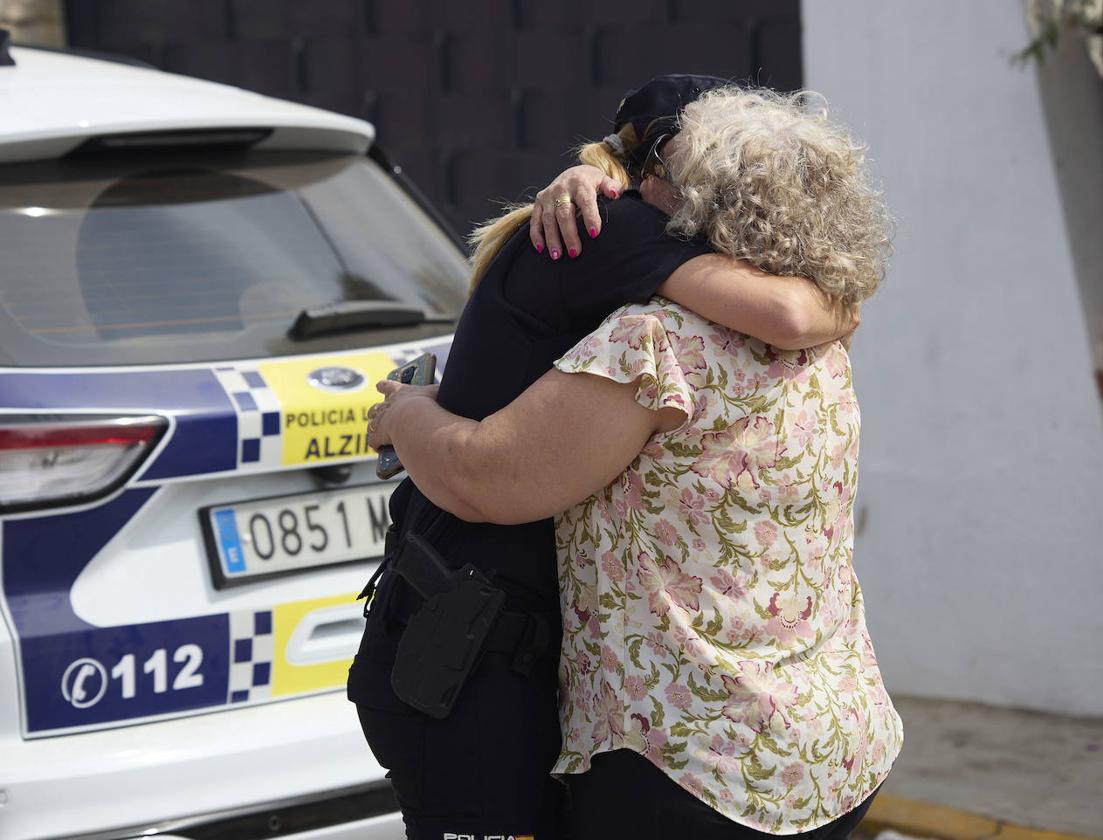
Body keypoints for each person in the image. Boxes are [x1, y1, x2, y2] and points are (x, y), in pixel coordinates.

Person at [366, 85, 901, 839]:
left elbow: (479, 479)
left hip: (697, 762)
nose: (636, 187)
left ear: (692, 201)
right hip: (836, 745)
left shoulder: (651, 344)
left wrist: (404, 413)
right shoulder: (825, 340)